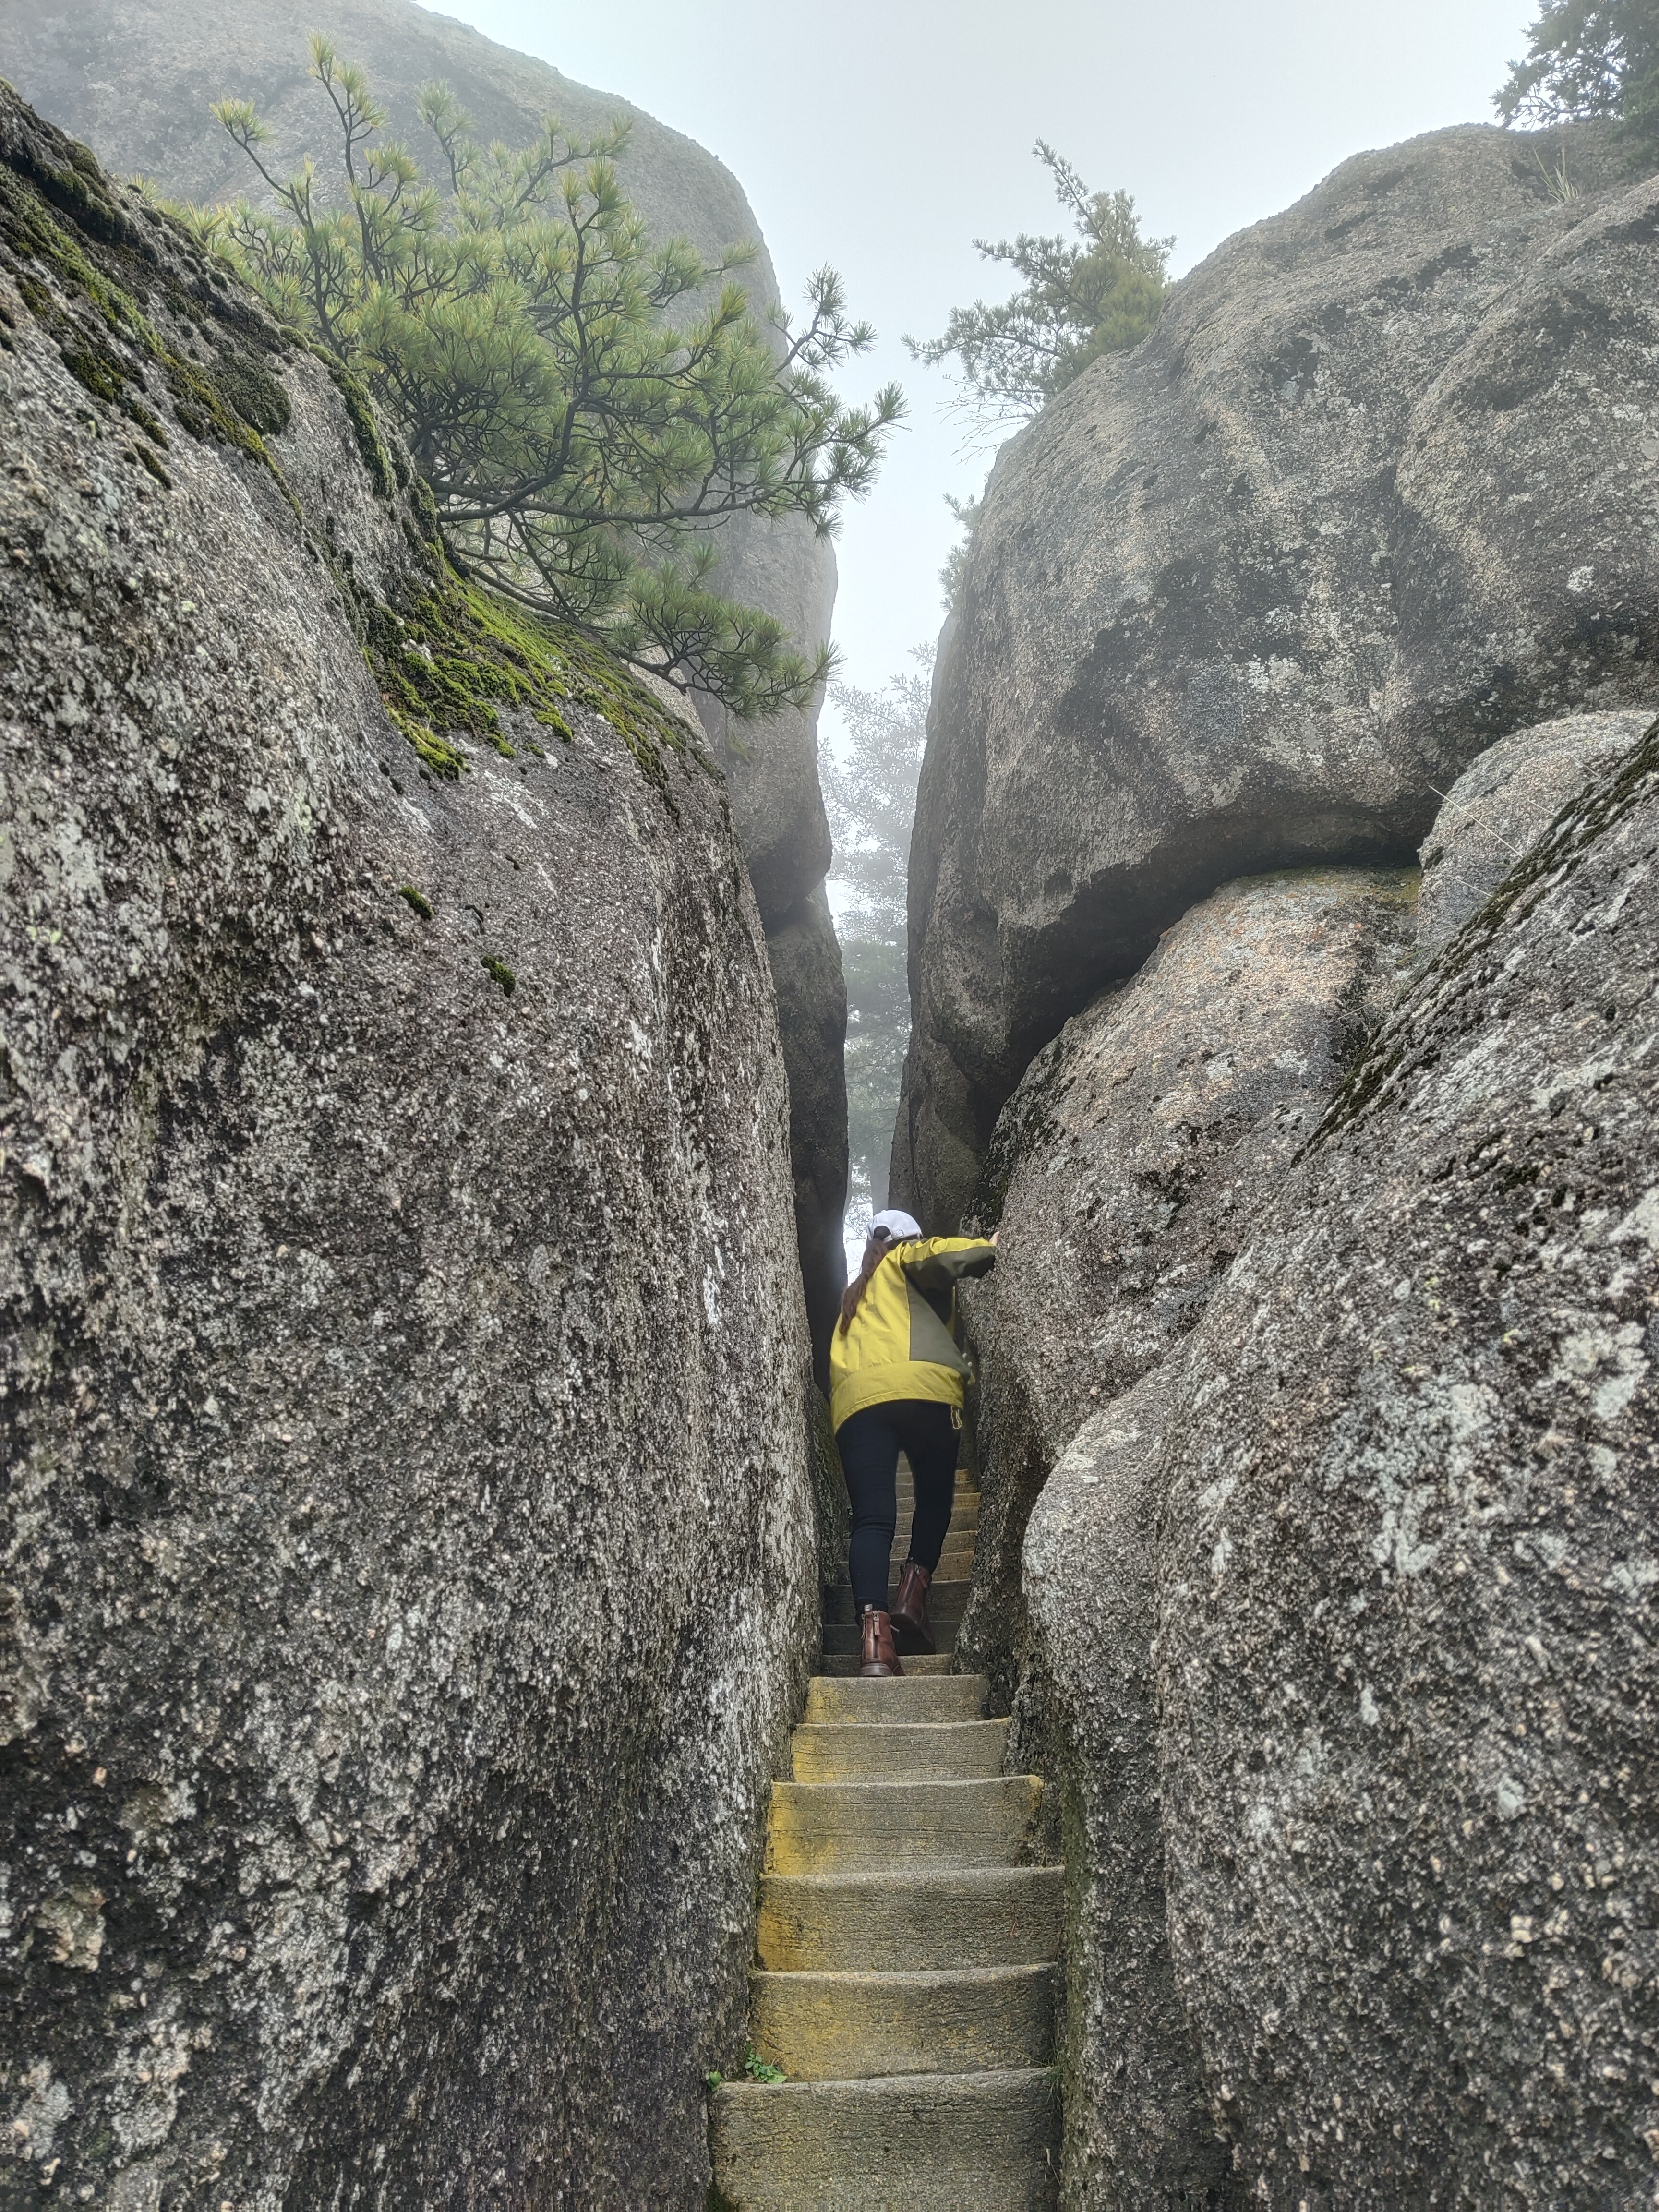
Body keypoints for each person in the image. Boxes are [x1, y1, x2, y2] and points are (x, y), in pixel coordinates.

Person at [829, 1207, 998, 1677]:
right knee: (935, 1498)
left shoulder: (852, 1298)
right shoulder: (906, 1258)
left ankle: (875, 1646)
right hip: (924, 1393)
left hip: (858, 1405)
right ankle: (912, 1595)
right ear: (909, 1238)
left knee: (873, 1519)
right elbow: (943, 1256)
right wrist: (991, 1247)